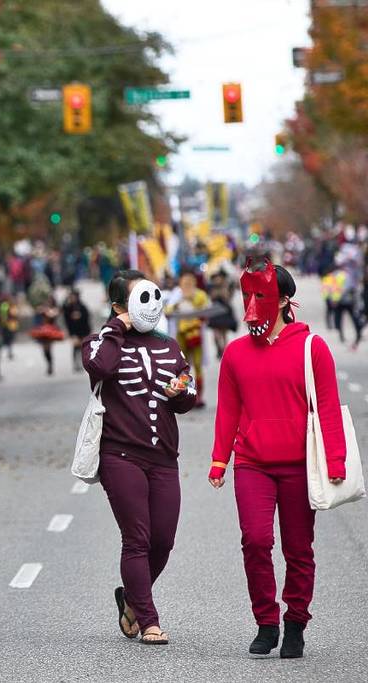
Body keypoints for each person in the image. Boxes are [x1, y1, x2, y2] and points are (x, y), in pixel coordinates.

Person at [208, 259, 345, 659]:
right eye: (246, 295)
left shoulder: (311, 348)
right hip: (252, 463)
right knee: (255, 540)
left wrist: (335, 461)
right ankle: (266, 622)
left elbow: (330, 408)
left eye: (260, 295)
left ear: (285, 299)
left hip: (300, 465)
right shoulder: (235, 354)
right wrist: (219, 460)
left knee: (299, 550)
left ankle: (296, 623)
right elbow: (228, 410)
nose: (251, 303)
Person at [82, 270, 197, 646]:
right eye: (137, 299)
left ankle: (131, 598)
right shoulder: (101, 341)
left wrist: (182, 391)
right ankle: (149, 620)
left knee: (163, 540)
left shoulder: (168, 345)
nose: (148, 306)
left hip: (164, 456)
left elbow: (186, 397)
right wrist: (117, 326)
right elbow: (99, 367)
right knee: (137, 539)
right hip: (121, 455)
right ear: (118, 305)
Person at [166, 271, 210, 407]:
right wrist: (178, 304)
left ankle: (198, 396)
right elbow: (167, 311)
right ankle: (183, 392)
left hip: (196, 336)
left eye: (190, 282)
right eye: (185, 283)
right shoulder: (177, 295)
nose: (187, 285)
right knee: (183, 366)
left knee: (197, 365)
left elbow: (207, 311)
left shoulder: (200, 295)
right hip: (181, 335)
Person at [62, 289, 92, 373]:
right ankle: (76, 363)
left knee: (83, 347)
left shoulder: (82, 306)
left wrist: (80, 316)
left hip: (83, 330)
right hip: (74, 331)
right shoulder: (68, 307)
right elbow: (65, 316)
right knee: (75, 346)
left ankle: (83, 363)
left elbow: (87, 317)